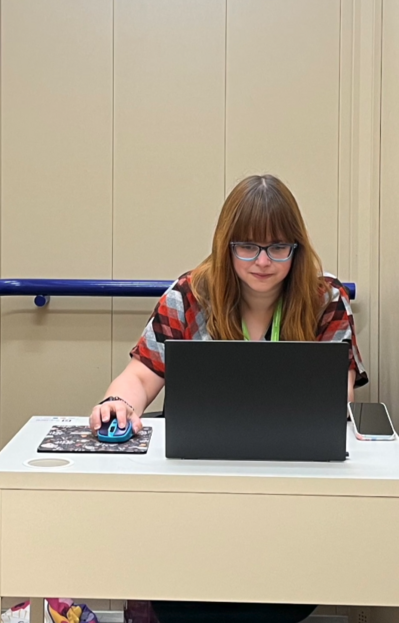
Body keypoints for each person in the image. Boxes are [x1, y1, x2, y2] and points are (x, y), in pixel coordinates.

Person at [90, 174, 368, 623]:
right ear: (226, 245)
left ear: (297, 248)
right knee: (184, 600)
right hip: (196, 496)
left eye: (278, 246)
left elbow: (337, 398)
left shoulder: (325, 299)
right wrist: (119, 404)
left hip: (289, 498)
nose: (263, 261)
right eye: (248, 247)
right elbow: (140, 377)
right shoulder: (189, 295)